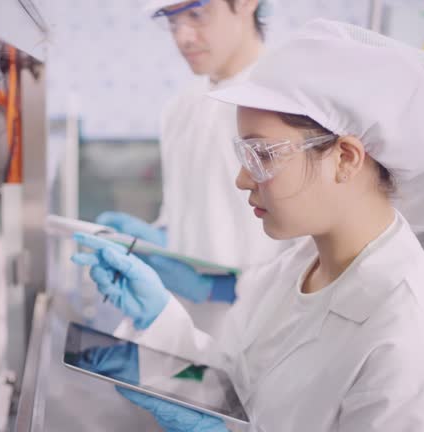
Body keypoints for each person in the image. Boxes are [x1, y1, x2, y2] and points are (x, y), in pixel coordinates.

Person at [73, 19, 424, 431]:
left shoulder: (411, 337)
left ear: (345, 158)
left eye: (263, 155)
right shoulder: (293, 268)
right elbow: (234, 384)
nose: (242, 178)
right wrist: (161, 320)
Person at [96, 0, 287, 307]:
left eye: (197, 14)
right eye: (171, 22)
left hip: (266, 319)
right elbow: (184, 210)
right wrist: (155, 241)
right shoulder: (180, 108)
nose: (182, 37)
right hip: (182, 317)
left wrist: (222, 290)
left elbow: (312, 248)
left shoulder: (289, 102)